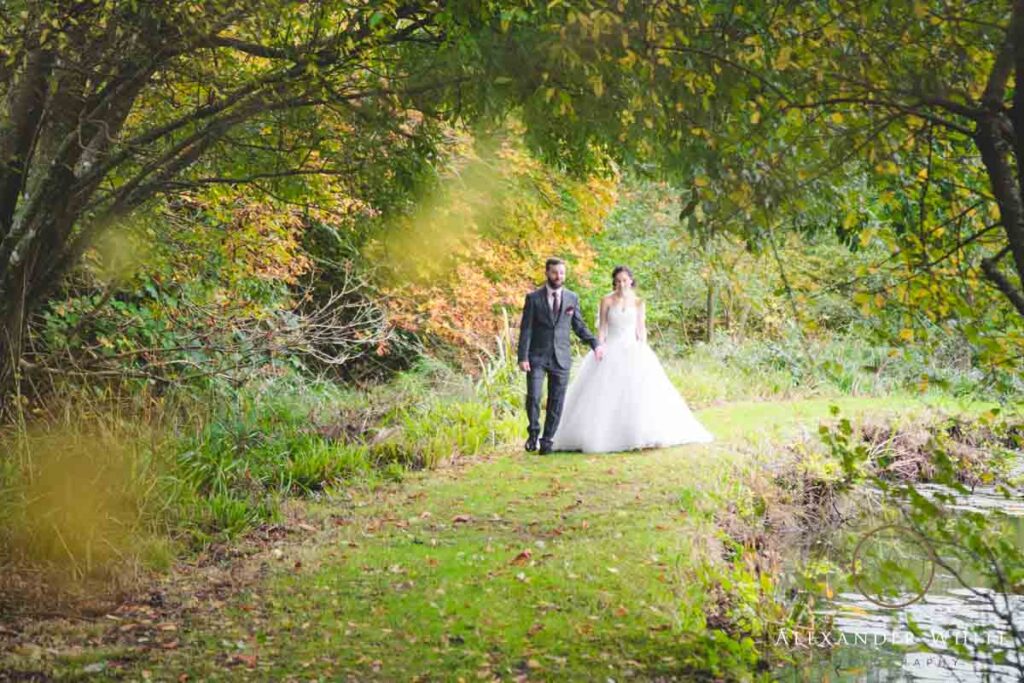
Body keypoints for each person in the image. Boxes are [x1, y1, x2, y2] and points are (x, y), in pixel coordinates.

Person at [551, 265, 714, 453]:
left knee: (639, 393)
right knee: (603, 393)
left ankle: (640, 434)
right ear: (614, 282)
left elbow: (640, 327)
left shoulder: (638, 302)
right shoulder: (606, 300)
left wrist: (642, 346)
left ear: (631, 281)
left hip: (631, 348)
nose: (621, 284)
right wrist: (599, 347)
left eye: (625, 280)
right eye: (618, 281)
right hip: (610, 348)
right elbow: (602, 328)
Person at [517, 257, 605, 455]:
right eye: (555, 272)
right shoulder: (533, 298)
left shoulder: (572, 298)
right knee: (534, 396)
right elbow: (527, 329)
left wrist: (595, 344)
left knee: (556, 400)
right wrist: (523, 357)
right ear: (547, 273)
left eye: (562, 273)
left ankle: (547, 440)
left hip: (561, 357)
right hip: (536, 357)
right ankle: (533, 433)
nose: (559, 276)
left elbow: (579, 326)